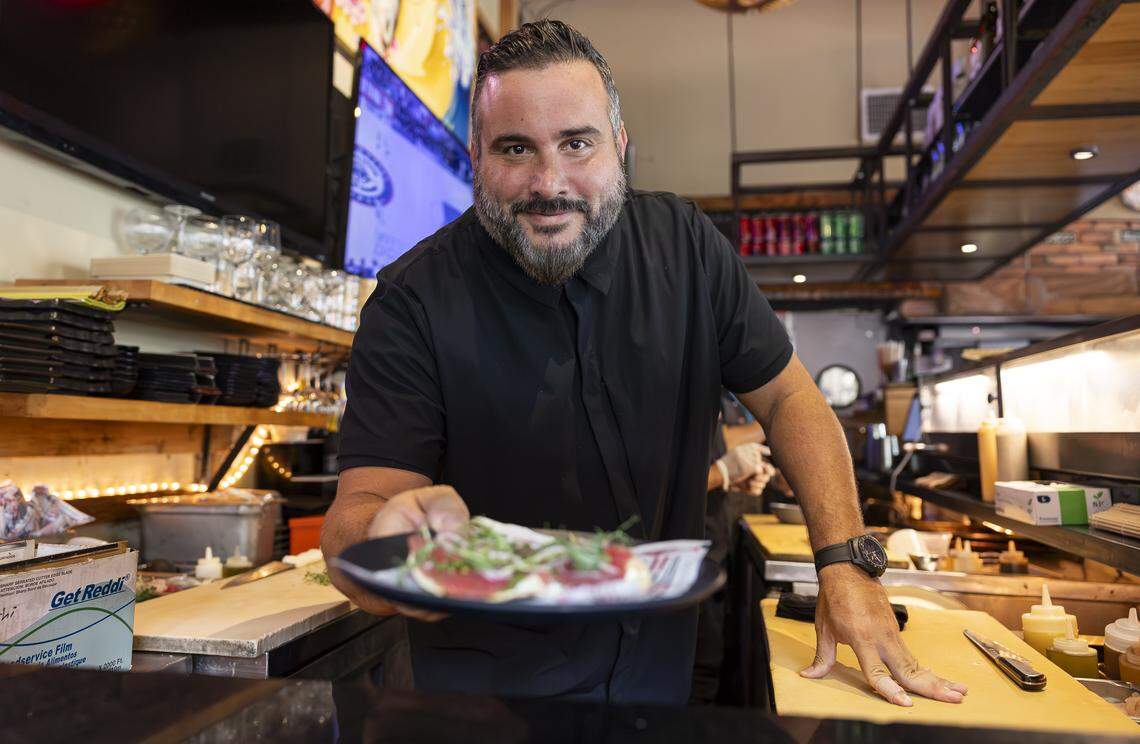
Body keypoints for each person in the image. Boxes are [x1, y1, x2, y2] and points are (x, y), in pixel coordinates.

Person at [323, 19, 966, 707]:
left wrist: (846, 563)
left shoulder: (685, 244)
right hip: (488, 709)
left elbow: (790, 400)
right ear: (475, 156)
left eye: (577, 143)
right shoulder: (412, 301)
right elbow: (356, 515)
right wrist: (382, 544)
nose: (550, 182)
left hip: (662, 680)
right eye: (515, 148)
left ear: (619, 147)